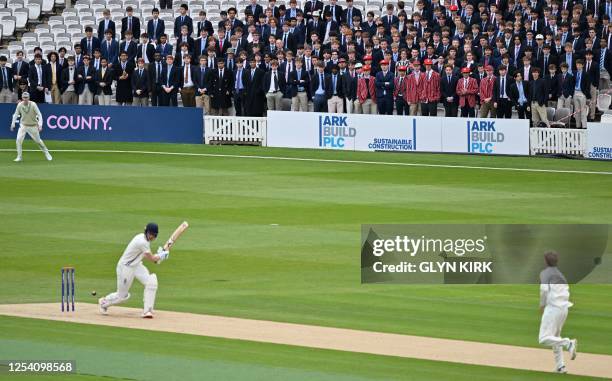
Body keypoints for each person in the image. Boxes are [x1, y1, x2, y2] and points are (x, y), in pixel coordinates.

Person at [98, 223, 170, 318]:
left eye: (154, 235)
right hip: (125, 268)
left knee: (151, 282)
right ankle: (104, 302)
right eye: (150, 234)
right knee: (122, 296)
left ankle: (147, 310)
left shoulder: (144, 239)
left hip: (136, 265)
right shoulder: (142, 242)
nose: (152, 236)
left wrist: (159, 256)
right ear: (146, 232)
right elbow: (152, 258)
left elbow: (145, 255)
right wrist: (161, 256)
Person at [538, 251, 578, 374]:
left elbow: (544, 290)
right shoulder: (561, 275)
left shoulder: (545, 273)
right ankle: (560, 366)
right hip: (564, 309)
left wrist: (542, 305)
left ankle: (568, 343)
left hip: (553, 309)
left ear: (545, 261)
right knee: (555, 338)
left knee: (543, 339)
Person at [10, 92, 52, 162]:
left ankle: (46, 152)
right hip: (23, 125)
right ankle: (19, 157)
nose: (25, 99)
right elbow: (15, 114)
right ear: (22, 98)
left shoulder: (33, 105)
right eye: (24, 97)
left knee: (38, 141)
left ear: (29, 98)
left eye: (26, 97)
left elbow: (39, 115)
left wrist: (40, 125)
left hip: (33, 126)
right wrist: (13, 124)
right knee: (18, 140)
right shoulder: (19, 105)